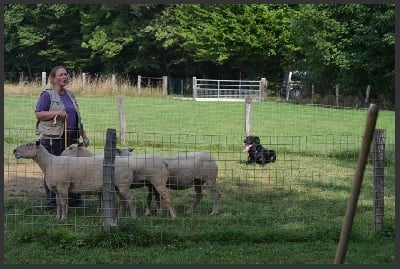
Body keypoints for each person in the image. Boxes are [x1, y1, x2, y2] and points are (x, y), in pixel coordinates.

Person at [35, 65, 90, 210]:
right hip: (53, 137)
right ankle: (53, 204)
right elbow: (39, 114)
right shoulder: (47, 95)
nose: (64, 77)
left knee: (74, 169)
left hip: (71, 137)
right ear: (53, 78)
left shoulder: (70, 95)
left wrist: (83, 135)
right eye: (61, 75)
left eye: (66, 74)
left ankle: (74, 201)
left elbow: (77, 117)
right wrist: (57, 113)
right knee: (53, 171)